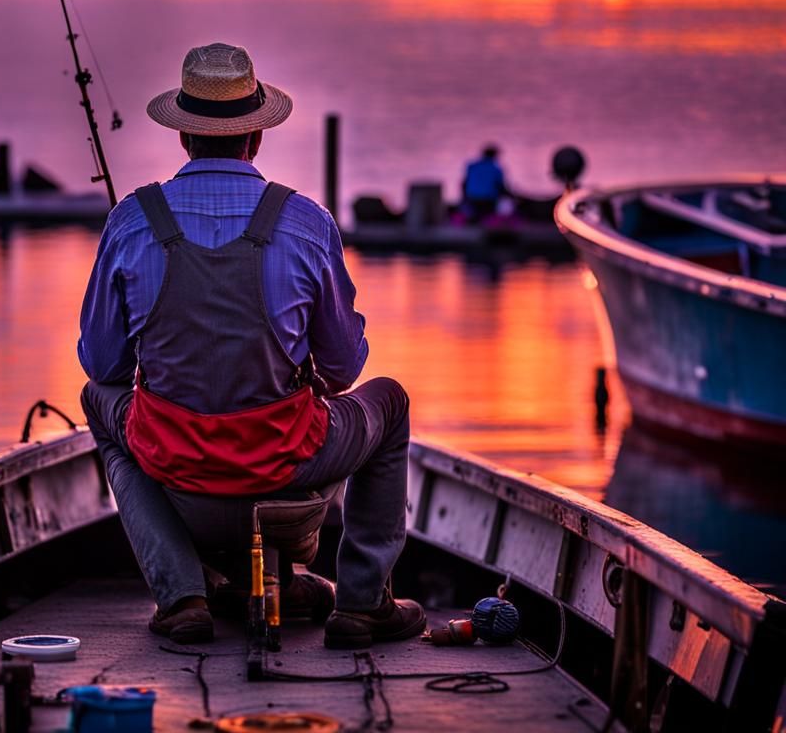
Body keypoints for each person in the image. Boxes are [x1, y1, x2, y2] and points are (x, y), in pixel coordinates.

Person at [78, 42, 424, 649]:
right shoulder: (306, 222)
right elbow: (343, 372)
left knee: (97, 401)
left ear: (182, 137)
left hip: (174, 460)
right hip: (287, 459)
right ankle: (365, 601)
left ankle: (181, 595)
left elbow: (105, 363)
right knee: (388, 402)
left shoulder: (132, 220)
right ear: (256, 138)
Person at [461, 144, 508, 220]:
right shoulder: (496, 169)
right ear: (494, 156)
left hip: (472, 199)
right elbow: (501, 187)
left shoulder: (472, 166)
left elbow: (464, 183)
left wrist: (464, 199)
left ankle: (472, 217)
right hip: (488, 201)